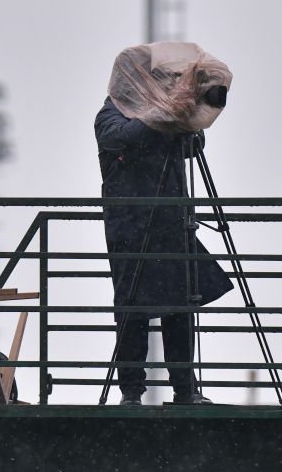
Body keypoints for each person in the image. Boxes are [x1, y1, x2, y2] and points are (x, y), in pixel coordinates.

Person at [95, 43, 234, 406]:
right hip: (131, 228)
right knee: (132, 311)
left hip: (171, 225)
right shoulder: (109, 116)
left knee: (180, 309)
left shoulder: (168, 122)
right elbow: (124, 138)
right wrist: (166, 113)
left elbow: (195, 145)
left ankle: (185, 390)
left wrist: (182, 113)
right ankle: (131, 393)